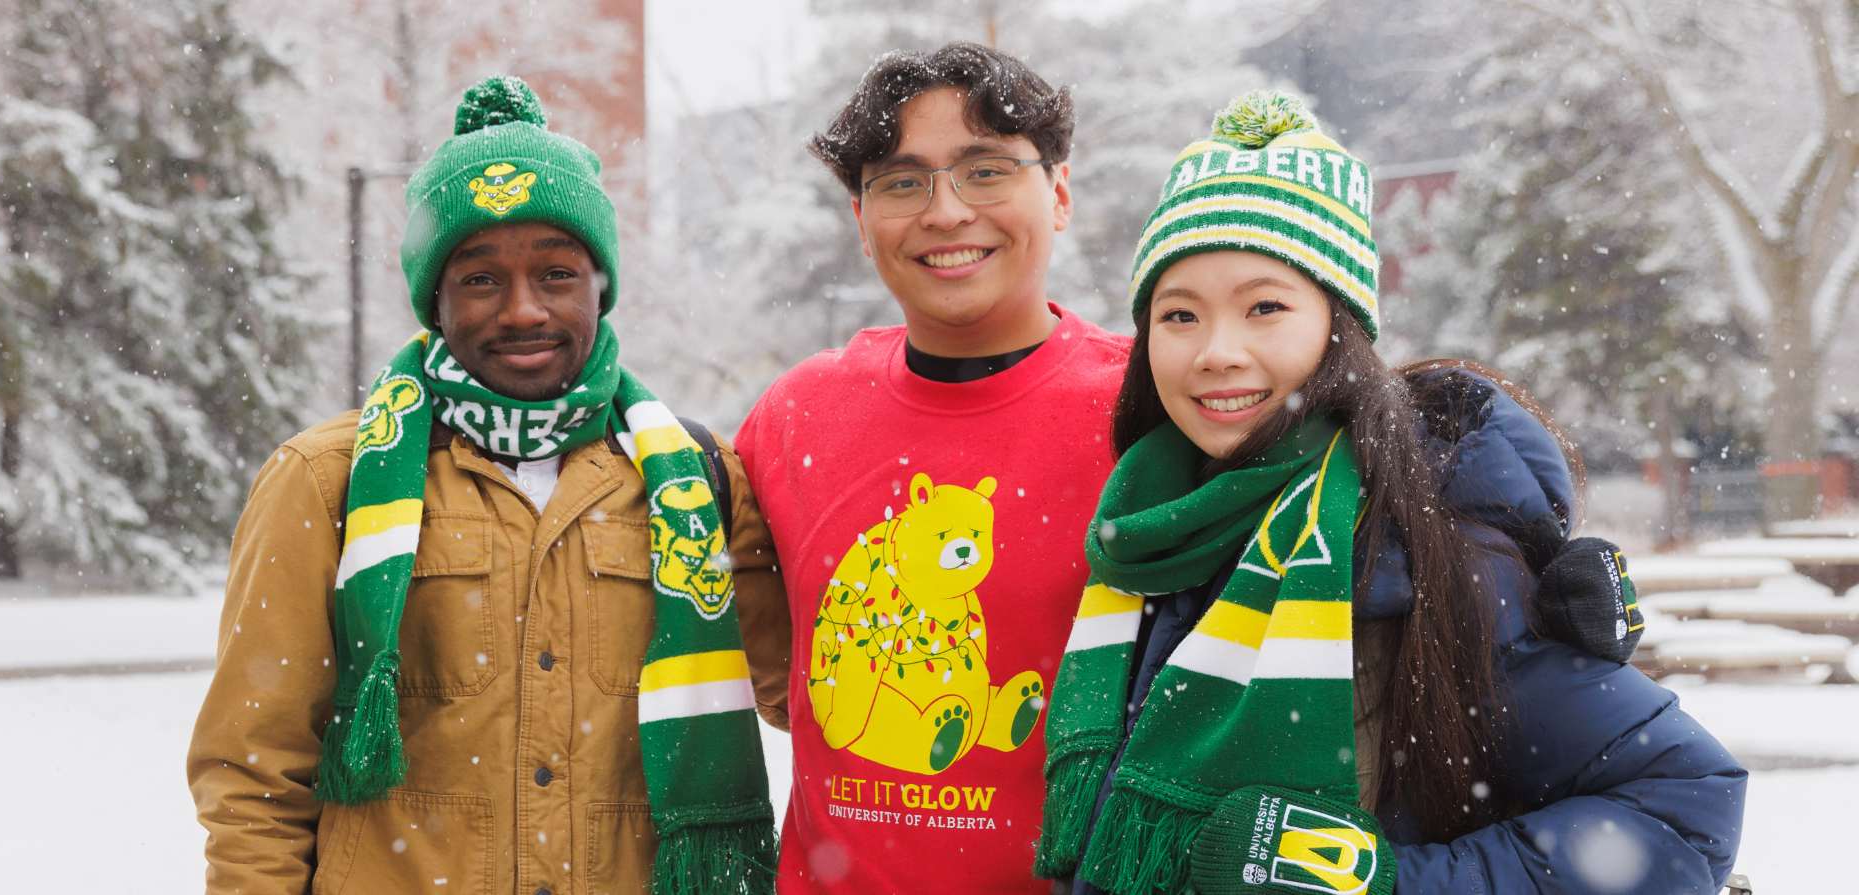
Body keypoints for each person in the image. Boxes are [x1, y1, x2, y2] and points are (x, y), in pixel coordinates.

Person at [1030, 91, 1747, 895]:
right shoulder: (1143, 537)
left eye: (1266, 306)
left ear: (1340, 328)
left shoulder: (1424, 545)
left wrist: (1386, 883)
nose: (1216, 351)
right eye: (1179, 315)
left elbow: (1683, 804)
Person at [187, 76, 788, 894]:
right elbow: (254, 770)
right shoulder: (326, 480)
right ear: (435, 298)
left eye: (556, 273)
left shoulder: (700, 479)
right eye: (479, 279)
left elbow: (818, 701)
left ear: (599, 288)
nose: (523, 310)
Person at [733, 44, 1132, 893]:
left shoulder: (1147, 409)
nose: (947, 212)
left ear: (1058, 194)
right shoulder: (796, 415)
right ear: (861, 217)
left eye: (986, 171)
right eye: (903, 182)